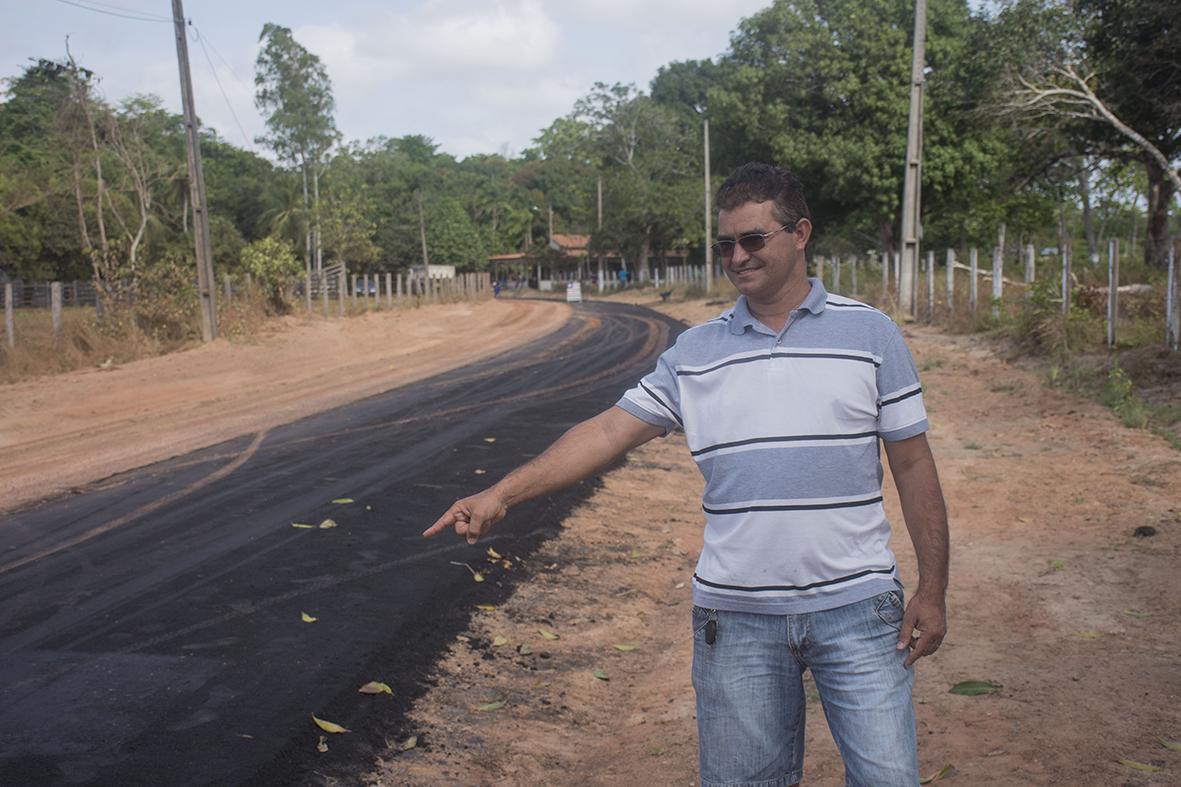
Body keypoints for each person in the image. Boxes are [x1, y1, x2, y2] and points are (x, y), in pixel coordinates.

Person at [425, 162, 949, 787]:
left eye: (754, 239)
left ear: (800, 233)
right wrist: (500, 493)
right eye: (725, 244)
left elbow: (914, 464)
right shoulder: (695, 353)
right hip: (737, 622)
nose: (738, 256)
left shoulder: (870, 334)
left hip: (859, 611)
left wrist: (933, 589)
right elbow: (606, 431)